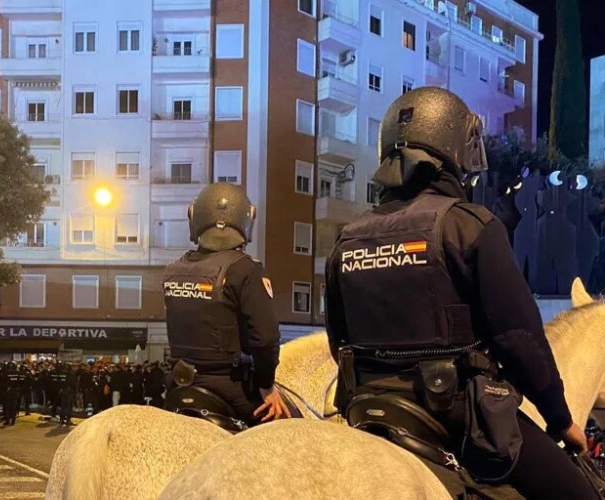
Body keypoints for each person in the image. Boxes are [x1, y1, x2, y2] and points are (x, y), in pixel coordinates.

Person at [325, 87, 597, 500]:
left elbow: (338, 339)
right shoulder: (470, 225)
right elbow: (520, 341)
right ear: (452, 147)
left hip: (368, 407)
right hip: (456, 414)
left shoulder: (347, 238)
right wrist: (560, 420)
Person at [164, 183, 290, 426]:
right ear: (247, 221)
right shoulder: (246, 269)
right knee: (293, 431)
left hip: (177, 386)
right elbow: (265, 339)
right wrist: (266, 385)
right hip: (229, 388)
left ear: (194, 218)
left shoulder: (173, 270)